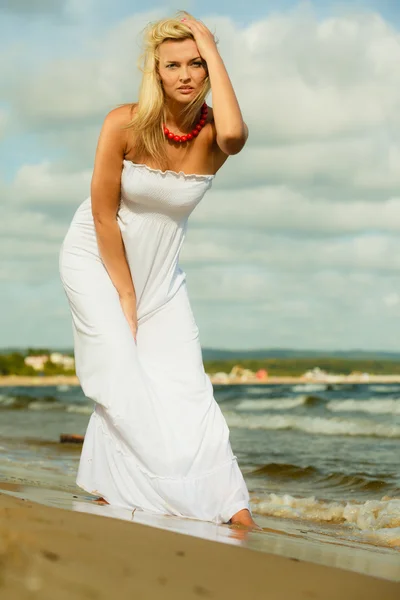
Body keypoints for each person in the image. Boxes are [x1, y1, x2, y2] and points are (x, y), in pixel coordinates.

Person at [59, 11, 258, 528]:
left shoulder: (214, 133)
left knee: (186, 383)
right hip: (97, 259)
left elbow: (236, 136)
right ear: (156, 70)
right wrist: (124, 293)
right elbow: (103, 213)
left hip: (162, 272)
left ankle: (228, 504)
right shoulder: (122, 122)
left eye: (197, 63)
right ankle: (145, 494)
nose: (186, 74)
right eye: (174, 65)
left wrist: (214, 48)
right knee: (120, 371)